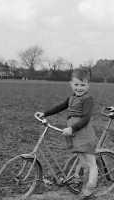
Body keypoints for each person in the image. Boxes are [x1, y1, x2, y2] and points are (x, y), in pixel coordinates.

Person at [36, 68, 98, 200]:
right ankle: (86, 192)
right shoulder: (71, 98)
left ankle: (90, 191)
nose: (79, 88)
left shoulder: (87, 99)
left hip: (83, 132)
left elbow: (86, 118)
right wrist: (45, 113)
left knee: (91, 163)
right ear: (71, 84)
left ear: (88, 86)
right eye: (76, 84)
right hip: (74, 133)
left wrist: (72, 128)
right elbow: (59, 107)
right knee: (84, 164)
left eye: (83, 85)